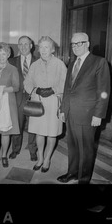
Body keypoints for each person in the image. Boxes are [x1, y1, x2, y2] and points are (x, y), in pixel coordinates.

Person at [57, 32, 111, 184]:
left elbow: (104, 92)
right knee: (72, 146)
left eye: (79, 43)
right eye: (73, 44)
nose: (75, 47)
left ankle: (84, 179)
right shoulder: (73, 63)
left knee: (86, 149)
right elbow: (67, 89)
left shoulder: (99, 62)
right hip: (70, 113)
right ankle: (72, 173)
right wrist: (63, 109)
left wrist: (98, 115)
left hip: (88, 114)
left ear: (87, 44)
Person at [24, 36, 67, 173]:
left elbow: (65, 83)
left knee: (51, 133)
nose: (43, 50)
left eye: (46, 47)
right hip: (38, 102)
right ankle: (40, 158)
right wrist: (36, 89)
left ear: (52, 49)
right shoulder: (34, 65)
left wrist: (53, 90)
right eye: (41, 47)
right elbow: (27, 82)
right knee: (40, 132)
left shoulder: (59, 64)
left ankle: (48, 159)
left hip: (54, 101)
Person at [8, 36, 38, 161]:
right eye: (21, 44)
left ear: (31, 46)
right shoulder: (11, 61)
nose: (24, 47)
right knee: (17, 125)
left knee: (33, 126)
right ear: (18, 46)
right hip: (17, 98)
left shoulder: (38, 61)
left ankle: (32, 150)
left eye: (27, 44)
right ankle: (15, 149)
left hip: (33, 98)